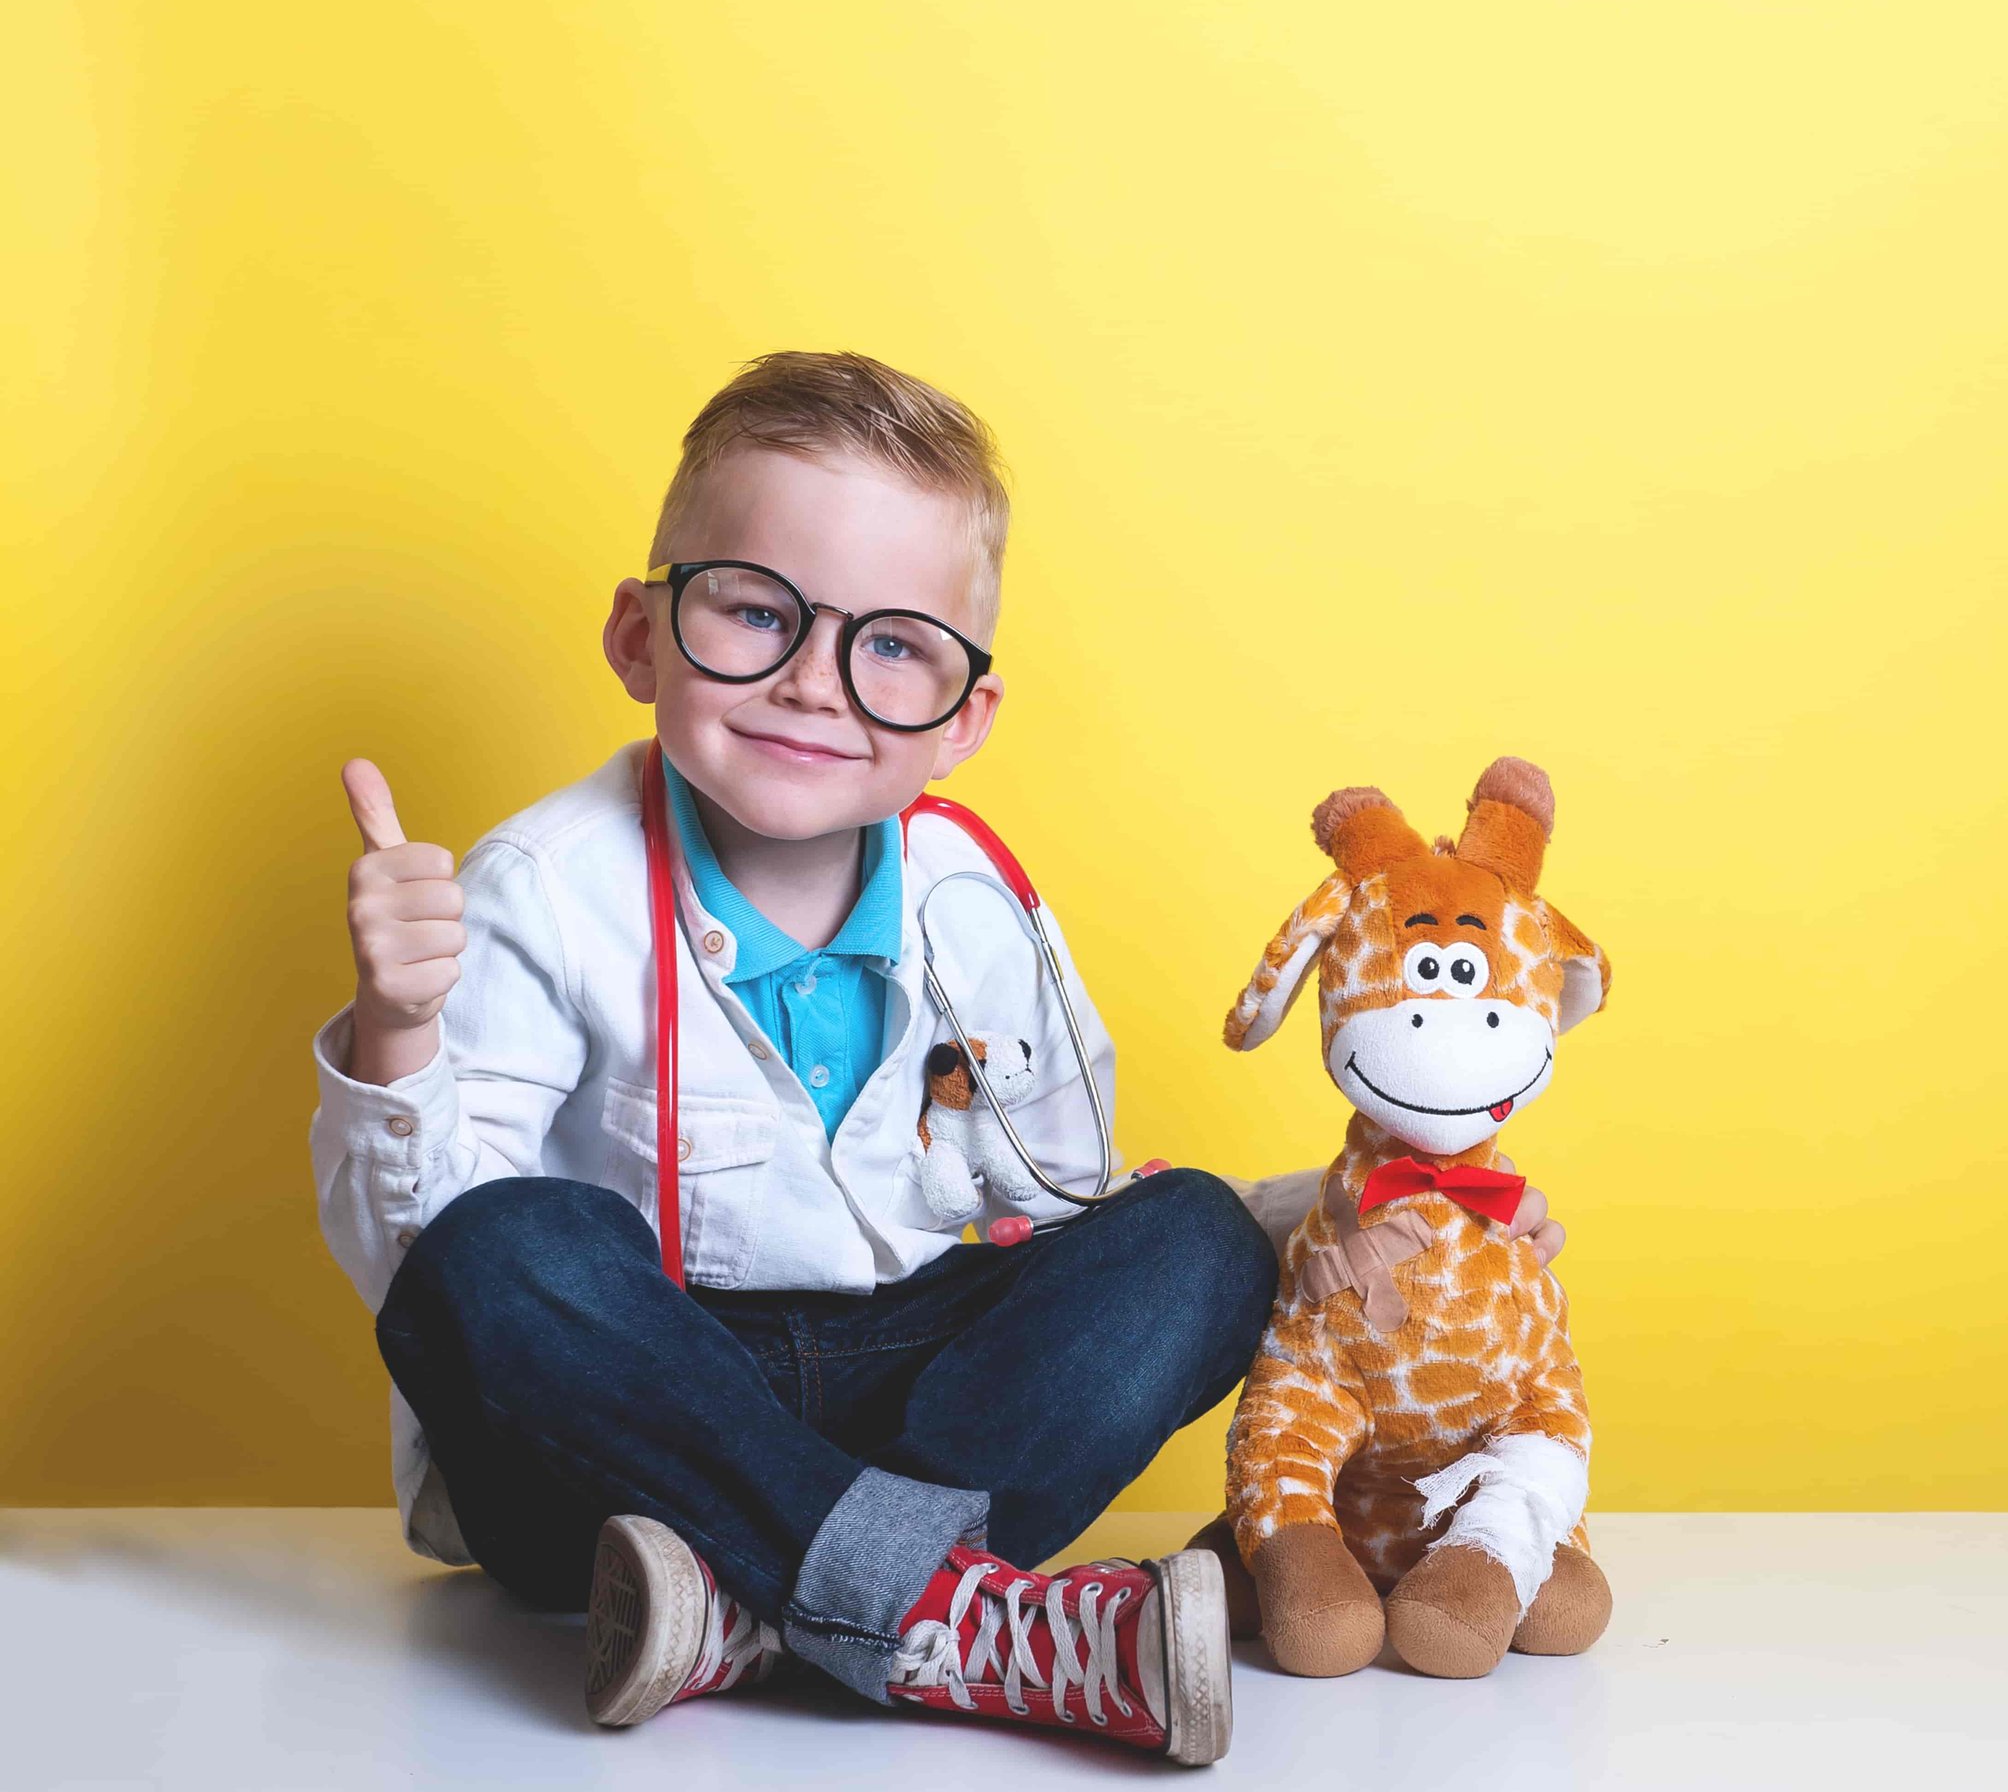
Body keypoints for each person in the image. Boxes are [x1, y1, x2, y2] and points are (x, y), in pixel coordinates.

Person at [307, 351, 1282, 1764]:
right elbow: (426, 1282)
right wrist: (397, 1031)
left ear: (963, 720)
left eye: (892, 646)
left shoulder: (983, 900)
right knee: (499, 1247)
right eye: (757, 612)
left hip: (907, 1402)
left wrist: (1357, 1215)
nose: (817, 685)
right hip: (624, 1449)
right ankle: (954, 1613)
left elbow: (1065, 1206)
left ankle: (750, 1610)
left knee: (1198, 1235)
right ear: (643, 637)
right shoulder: (538, 886)